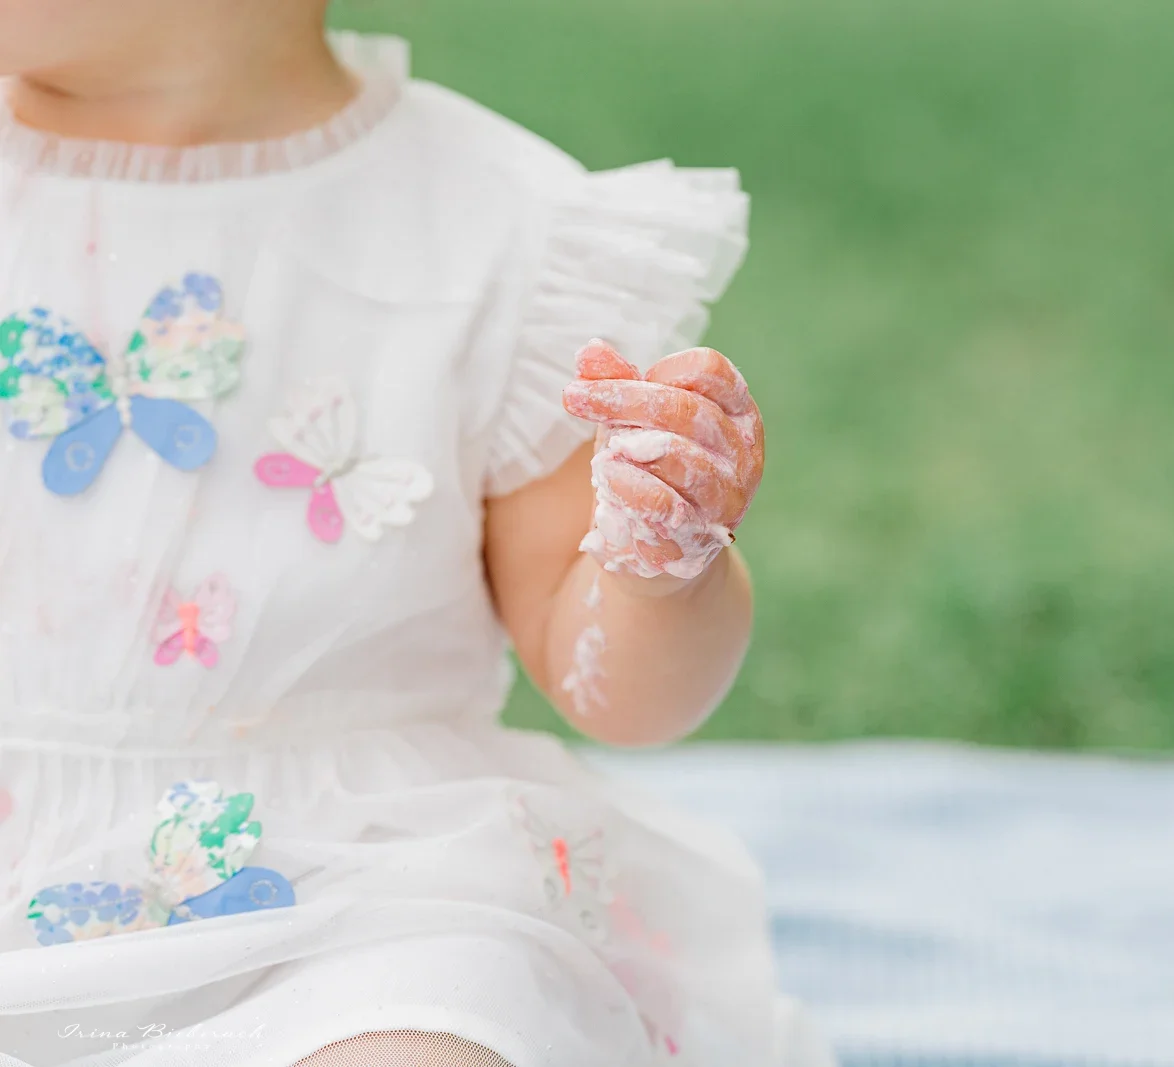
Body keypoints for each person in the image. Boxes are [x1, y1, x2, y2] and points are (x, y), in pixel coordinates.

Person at [0, 3, 831, 1064]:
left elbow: (618, 697)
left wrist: (658, 570)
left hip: (350, 887)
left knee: (424, 1033)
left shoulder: (491, 230)